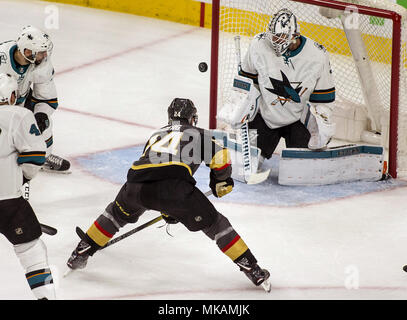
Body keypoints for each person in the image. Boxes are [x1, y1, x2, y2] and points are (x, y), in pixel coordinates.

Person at [66, 98, 271, 291]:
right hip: (174, 188)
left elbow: (154, 167)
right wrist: (221, 181)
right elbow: (221, 157)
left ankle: (82, 250)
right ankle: (252, 268)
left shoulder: (156, 135)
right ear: (192, 118)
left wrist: (167, 207)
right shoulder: (199, 132)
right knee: (216, 225)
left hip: (135, 184)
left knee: (115, 214)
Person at [236, 8, 336, 164]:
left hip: (298, 120)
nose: (275, 41)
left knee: (300, 168)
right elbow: (247, 83)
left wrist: (323, 128)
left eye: (280, 37)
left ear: (295, 36)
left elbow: (324, 99)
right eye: (273, 36)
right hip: (265, 116)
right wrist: (240, 108)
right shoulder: (259, 44)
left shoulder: (317, 55)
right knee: (248, 164)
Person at [0, 73, 56, 299]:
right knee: (31, 250)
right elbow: (35, 156)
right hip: (7, 202)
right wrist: (23, 178)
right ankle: (45, 297)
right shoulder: (18, 115)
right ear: (12, 95)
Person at [0, 25, 70, 172]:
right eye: (40, 53)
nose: (44, 56)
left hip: (21, 100)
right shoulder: (2, 59)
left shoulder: (41, 65)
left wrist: (41, 114)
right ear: (27, 51)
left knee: (44, 123)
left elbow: (46, 97)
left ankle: (44, 156)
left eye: (45, 52)